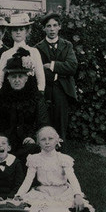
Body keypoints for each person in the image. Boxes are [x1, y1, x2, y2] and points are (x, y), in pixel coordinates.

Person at [14, 126, 96, 212]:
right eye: (43, 139)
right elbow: (28, 180)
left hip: (62, 191)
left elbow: (72, 178)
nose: (47, 142)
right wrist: (19, 194)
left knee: (62, 209)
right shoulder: (34, 159)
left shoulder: (63, 159)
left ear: (57, 141)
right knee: (32, 211)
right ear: (38, 142)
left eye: (50, 139)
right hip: (44, 191)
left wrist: (77, 194)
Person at [0, 47, 50, 167]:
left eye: (20, 76)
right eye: (13, 77)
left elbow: (43, 123)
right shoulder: (3, 96)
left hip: (26, 140)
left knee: (33, 149)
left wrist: (33, 137)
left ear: (26, 77)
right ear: (8, 78)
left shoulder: (36, 98)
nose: (17, 80)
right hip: (6, 139)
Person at [34, 12, 79, 142]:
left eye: (55, 25)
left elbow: (72, 66)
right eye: (48, 26)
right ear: (44, 28)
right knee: (45, 124)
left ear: (60, 27)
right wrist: (59, 70)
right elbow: (38, 71)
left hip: (62, 89)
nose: (52, 29)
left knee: (61, 125)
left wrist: (52, 65)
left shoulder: (67, 45)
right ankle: (45, 157)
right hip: (45, 90)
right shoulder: (37, 48)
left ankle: (62, 158)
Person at [0, 13, 45, 94]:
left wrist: (40, 91)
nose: (18, 32)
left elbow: (40, 75)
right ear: (11, 32)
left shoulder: (34, 52)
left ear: (27, 31)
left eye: (21, 29)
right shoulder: (6, 54)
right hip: (10, 94)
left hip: (30, 94)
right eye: (15, 30)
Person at [0, 133, 25, 201]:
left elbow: (19, 182)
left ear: (9, 148)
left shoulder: (16, 163)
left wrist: (11, 196)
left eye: (3, 143)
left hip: (13, 197)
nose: (0, 145)